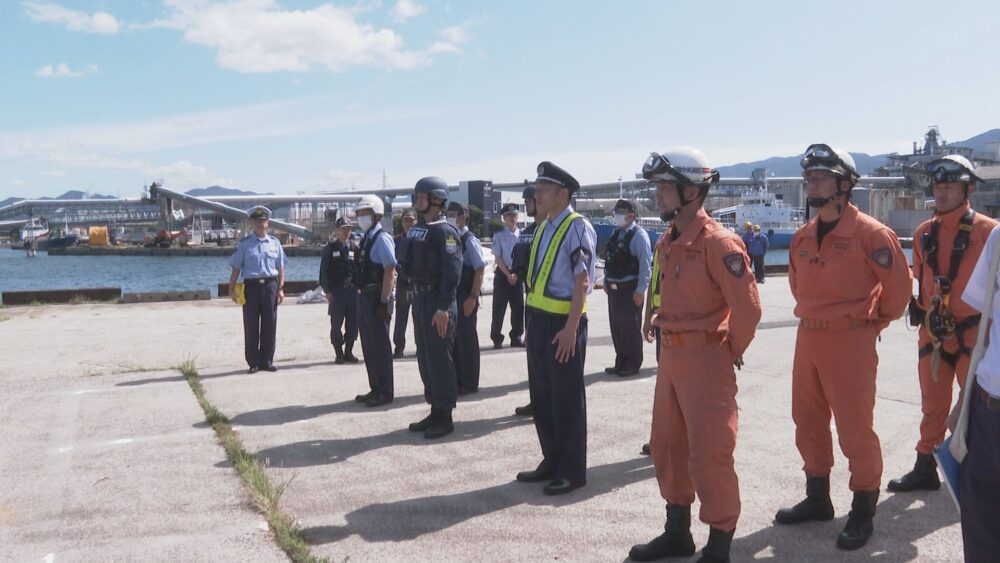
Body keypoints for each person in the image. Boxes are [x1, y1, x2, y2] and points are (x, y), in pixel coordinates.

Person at [775, 144, 910, 551]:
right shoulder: (803, 236)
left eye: (820, 177)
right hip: (809, 337)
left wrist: (869, 323)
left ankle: (863, 508)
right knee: (807, 419)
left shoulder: (871, 234)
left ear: (845, 185)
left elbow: (899, 290)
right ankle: (818, 498)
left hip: (850, 340)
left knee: (854, 427)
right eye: (809, 177)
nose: (811, 183)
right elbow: (797, 284)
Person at [629, 148, 761, 563]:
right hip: (671, 357)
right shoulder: (667, 241)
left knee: (710, 454)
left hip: (705, 360)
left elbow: (748, 310)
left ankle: (719, 545)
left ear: (691, 191)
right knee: (668, 446)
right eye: (657, 187)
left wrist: (726, 351)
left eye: (665, 187)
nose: (658, 195)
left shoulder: (718, 243)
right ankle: (677, 533)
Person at [888, 156, 997, 493]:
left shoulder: (989, 232)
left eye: (950, 186)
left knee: (976, 408)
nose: (942, 192)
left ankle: (979, 472)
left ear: (968, 189)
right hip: (934, 332)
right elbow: (921, 280)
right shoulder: (924, 233)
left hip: (975, 334)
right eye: (938, 186)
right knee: (932, 405)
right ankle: (925, 466)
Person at [514, 161, 596, 496]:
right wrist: (530, 327)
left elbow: (582, 281)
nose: (537, 194)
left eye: (544, 189)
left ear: (563, 193)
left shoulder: (576, 227)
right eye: (537, 188)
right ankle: (551, 459)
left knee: (566, 399)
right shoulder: (544, 227)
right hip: (539, 321)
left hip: (563, 324)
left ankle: (571, 471)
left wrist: (571, 328)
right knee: (543, 396)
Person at [398, 177, 463, 439]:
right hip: (420, 300)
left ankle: (445, 416)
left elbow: (452, 272)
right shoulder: (420, 230)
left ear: (436, 199)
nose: (418, 201)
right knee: (425, 358)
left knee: (439, 359)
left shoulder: (446, 232)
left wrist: (444, 308)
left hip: (438, 302)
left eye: (422, 196)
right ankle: (435, 409)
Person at [957, 222, 1000, 562]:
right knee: (981, 523)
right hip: (989, 408)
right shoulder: (999, 239)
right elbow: (985, 323)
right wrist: (964, 399)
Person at [228, 205, 287, 374]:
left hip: (270, 286)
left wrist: (281, 288)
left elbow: (281, 267)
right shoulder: (244, 244)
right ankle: (253, 362)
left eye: (263, 221)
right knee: (251, 325)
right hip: (251, 287)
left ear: (268, 224)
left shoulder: (275, 243)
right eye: (257, 221)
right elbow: (236, 268)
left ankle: (267, 361)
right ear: (252, 224)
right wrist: (231, 289)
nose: (260, 224)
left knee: (270, 324)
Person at [352, 195, 396, 408]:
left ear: (376, 215)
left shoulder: (382, 238)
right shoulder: (367, 238)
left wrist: (384, 301)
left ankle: (385, 391)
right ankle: (376, 387)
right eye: (359, 213)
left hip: (377, 297)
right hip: (364, 297)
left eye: (365, 213)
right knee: (369, 346)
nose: (361, 217)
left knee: (380, 347)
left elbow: (390, 270)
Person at [603, 198, 652, 377]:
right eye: (616, 212)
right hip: (614, 288)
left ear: (631, 216)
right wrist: (606, 280)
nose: (617, 216)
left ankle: (632, 363)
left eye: (621, 213)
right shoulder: (616, 233)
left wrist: (640, 290)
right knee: (616, 327)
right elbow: (610, 259)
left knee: (630, 328)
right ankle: (621, 361)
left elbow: (646, 267)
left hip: (630, 289)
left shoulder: (639, 235)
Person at [447, 201, 486, 394]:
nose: (450, 218)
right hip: (454, 294)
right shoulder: (451, 237)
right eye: (448, 214)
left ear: (463, 217)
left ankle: (470, 382)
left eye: (453, 215)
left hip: (466, 294)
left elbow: (480, 268)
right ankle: (458, 379)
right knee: (455, 339)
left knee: (467, 340)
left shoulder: (469, 240)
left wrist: (472, 297)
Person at [639, 229, 669, 457]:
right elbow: (654, 281)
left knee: (681, 389)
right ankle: (663, 439)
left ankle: (678, 440)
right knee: (665, 386)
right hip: (661, 321)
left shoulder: (689, 241)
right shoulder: (662, 241)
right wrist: (648, 315)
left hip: (679, 324)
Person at [511, 185, 540, 417]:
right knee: (534, 356)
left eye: (529, 201)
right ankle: (537, 400)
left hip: (550, 306)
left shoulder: (550, 231)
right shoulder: (527, 231)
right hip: (531, 302)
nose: (526, 205)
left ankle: (547, 403)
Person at [319, 217, 360, 364]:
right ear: (337, 230)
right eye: (343, 229)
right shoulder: (330, 249)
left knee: (353, 324)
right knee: (336, 325)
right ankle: (339, 353)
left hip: (352, 293)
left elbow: (359, 269)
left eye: (348, 229)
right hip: (336, 293)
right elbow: (323, 272)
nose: (346, 232)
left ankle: (349, 352)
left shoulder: (354, 248)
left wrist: (359, 287)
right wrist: (327, 291)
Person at [491, 203, 525, 350]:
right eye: (509, 216)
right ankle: (496, 337)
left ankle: (516, 336)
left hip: (517, 273)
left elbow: (523, 257)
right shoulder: (499, 235)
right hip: (502, 273)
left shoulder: (522, 235)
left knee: (518, 307)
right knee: (499, 308)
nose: (513, 218)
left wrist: (516, 274)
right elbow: (497, 257)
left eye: (515, 215)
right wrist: (508, 274)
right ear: (504, 218)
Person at [393, 209, 417, 359]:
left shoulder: (421, 239)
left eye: (411, 220)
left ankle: (421, 346)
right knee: (401, 317)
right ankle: (398, 348)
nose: (408, 223)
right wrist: (403, 274)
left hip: (417, 282)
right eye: (406, 220)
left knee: (419, 317)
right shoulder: (396, 240)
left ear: (416, 222)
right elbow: (393, 260)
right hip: (403, 283)